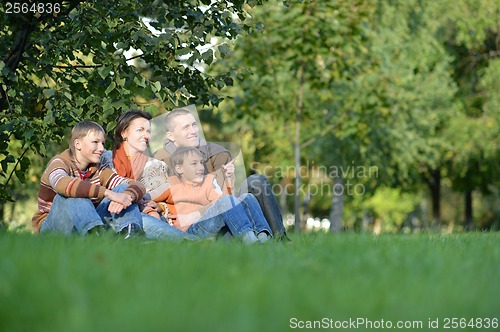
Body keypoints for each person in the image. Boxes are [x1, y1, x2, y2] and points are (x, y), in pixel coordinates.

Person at [153, 108, 289, 240]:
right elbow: (151, 197)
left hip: (224, 212)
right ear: (170, 136)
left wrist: (229, 179)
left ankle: (276, 239)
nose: (193, 131)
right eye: (186, 127)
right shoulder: (160, 159)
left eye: (194, 125)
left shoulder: (217, 153)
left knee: (255, 184)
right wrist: (163, 207)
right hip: (189, 225)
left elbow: (224, 198)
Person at [32, 120, 145, 238]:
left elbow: (137, 185)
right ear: (77, 144)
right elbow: (61, 183)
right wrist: (107, 193)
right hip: (54, 226)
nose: (101, 148)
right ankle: (95, 237)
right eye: (95, 142)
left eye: (102, 143)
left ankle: (132, 234)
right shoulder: (59, 163)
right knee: (73, 192)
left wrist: (126, 196)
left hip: (88, 222)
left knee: (122, 189)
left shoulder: (99, 169)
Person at [100, 110, 198, 241]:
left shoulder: (156, 166)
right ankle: (194, 243)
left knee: (142, 220)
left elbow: (164, 198)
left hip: (145, 218)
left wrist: (160, 206)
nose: (146, 135)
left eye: (148, 131)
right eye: (140, 130)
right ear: (124, 133)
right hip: (108, 216)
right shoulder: (104, 159)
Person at [155, 146, 273, 244]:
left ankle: (264, 238)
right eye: (194, 164)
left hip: (210, 223)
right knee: (226, 201)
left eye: (201, 163)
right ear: (179, 168)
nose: (201, 167)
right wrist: (158, 206)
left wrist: (228, 179)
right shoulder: (172, 184)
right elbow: (147, 197)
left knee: (248, 198)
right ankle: (250, 241)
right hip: (192, 230)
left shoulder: (207, 181)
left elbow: (225, 204)